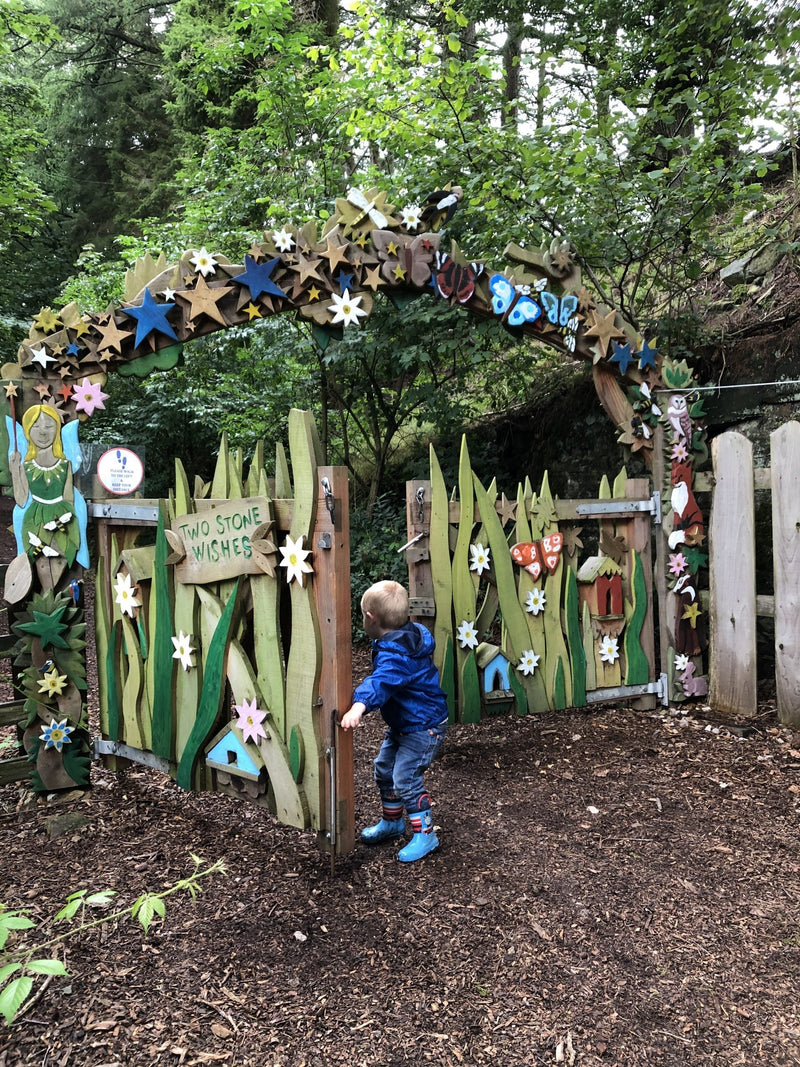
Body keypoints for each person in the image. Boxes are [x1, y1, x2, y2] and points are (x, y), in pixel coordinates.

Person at [340, 580, 448, 863]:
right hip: (406, 723)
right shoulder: (404, 636)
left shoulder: (398, 656)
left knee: (405, 778)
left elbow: (382, 681)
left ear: (370, 618)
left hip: (424, 728)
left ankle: (426, 834)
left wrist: (359, 705)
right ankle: (393, 822)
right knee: (384, 769)